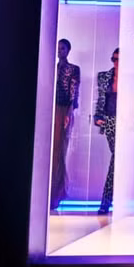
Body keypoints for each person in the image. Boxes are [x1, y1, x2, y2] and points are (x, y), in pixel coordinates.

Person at [50, 38, 80, 210]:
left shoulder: (73, 69)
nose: (59, 51)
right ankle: (50, 191)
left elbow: (74, 94)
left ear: (68, 51)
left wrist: (68, 113)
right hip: (51, 110)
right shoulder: (53, 67)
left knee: (59, 151)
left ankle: (57, 193)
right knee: (51, 151)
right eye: (58, 48)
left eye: (62, 48)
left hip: (63, 111)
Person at [93, 48, 119, 215]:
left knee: (117, 159)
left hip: (125, 123)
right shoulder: (104, 76)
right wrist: (97, 116)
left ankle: (106, 202)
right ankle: (106, 202)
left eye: (119, 59)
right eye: (114, 59)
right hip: (109, 120)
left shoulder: (130, 78)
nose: (116, 62)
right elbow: (100, 99)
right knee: (117, 158)